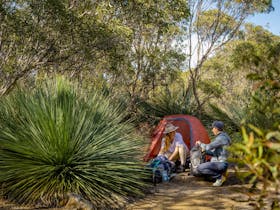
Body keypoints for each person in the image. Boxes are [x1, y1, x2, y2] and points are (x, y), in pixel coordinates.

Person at [196, 121, 231, 186]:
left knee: (200, 168)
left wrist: (200, 143)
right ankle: (219, 176)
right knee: (206, 175)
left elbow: (208, 146)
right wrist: (205, 152)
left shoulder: (221, 138)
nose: (212, 130)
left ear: (216, 129)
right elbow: (215, 153)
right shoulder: (224, 136)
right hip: (222, 162)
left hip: (220, 163)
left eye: (213, 128)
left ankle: (219, 178)